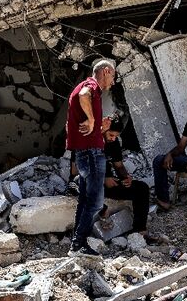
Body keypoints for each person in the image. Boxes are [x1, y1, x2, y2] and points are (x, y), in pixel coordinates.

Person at [65, 58, 116, 257]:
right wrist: (93, 119)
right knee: (94, 202)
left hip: (83, 152)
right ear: (105, 72)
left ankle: (76, 243)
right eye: (112, 76)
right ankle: (78, 245)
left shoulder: (82, 87)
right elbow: (84, 96)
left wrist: (98, 125)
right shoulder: (90, 86)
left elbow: (73, 123)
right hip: (91, 153)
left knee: (85, 200)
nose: (112, 82)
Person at [100, 117, 151, 235]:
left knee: (141, 188)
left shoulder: (113, 142)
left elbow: (118, 166)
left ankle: (140, 231)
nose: (113, 139)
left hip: (108, 183)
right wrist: (103, 179)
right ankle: (103, 212)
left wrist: (126, 177)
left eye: (115, 136)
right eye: (111, 135)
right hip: (91, 183)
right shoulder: (92, 142)